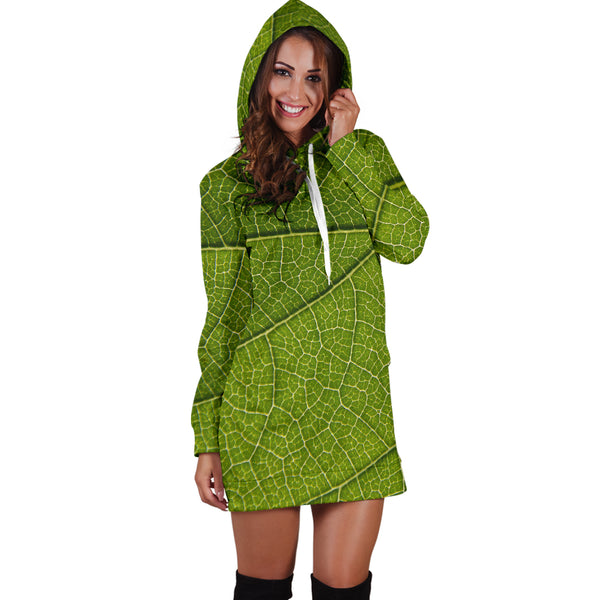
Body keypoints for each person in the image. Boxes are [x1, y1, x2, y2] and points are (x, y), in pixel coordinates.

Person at [191, 1, 430, 598]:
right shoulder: (224, 186)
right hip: (262, 415)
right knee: (262, 592)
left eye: (313, 77)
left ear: (333, 89)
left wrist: (346, 148)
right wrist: (207, 435)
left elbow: (409, 241)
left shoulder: (364, 157)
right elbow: (223, 315)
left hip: (353, 412)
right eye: (283, 72)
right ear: (259, 76)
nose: (296, 92)